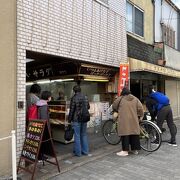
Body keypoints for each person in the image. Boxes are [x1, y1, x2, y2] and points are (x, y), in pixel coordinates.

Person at [112, 87, 144, 156]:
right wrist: (140, 116)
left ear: (123, 93)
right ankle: (135, 150)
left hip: (124, 120)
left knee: (125, 134)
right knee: (134, 134)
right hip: (134, 120)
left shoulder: (120, 99)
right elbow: (141, 108)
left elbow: (114, 106)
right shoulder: (135, 99)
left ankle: (125, 151)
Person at [68, 85, 90, 157]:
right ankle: (85, 151)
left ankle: (78, 153)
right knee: (84, 135)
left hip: (76, 119)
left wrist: (69, 120)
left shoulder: (74, 98)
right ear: (80, 90)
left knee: (77, 136)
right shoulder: (85, 96)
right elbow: (88, 107)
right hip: (84, 118)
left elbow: (71, 110)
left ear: (74, 91)